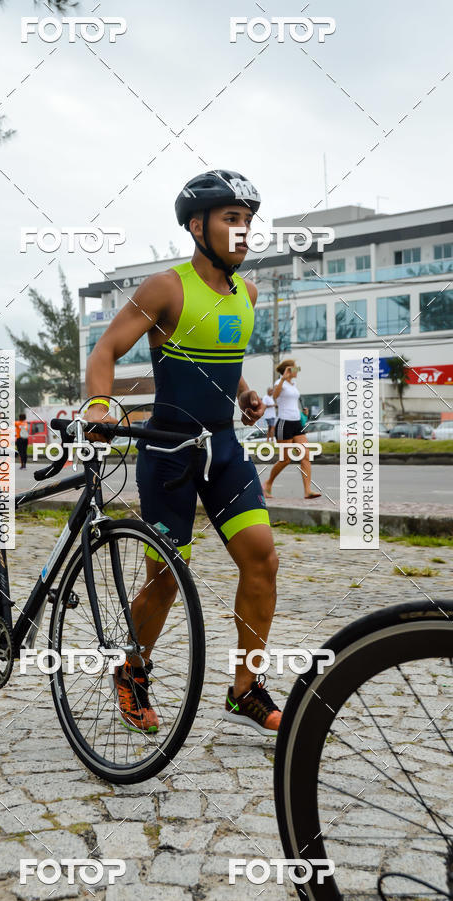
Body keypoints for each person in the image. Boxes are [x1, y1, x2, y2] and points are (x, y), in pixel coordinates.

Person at [85, 169, 281, 736]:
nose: (243, 231)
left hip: (223, 449)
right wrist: (99, 406)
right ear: (198, 227)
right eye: (231, 219)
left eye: (248, 221)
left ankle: (245, 689)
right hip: (168, 451)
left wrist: (243, 393)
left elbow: (217, 358)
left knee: (262, 558)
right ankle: (132, 670)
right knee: (168, 577)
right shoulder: (165, 288)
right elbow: (106, 349)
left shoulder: (247, 294)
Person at [262, 360, 321, 500]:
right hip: (284, 423)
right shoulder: (279, 383)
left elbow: (291, 403)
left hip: (296, 422)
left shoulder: (293, 385)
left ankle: (307, 491)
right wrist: (283, 378)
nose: (297, 371)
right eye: (295, 368)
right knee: (285, 459)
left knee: (305, 455)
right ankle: (267, 484)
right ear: (287, 370)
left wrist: (302, 413)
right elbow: (275, 397)